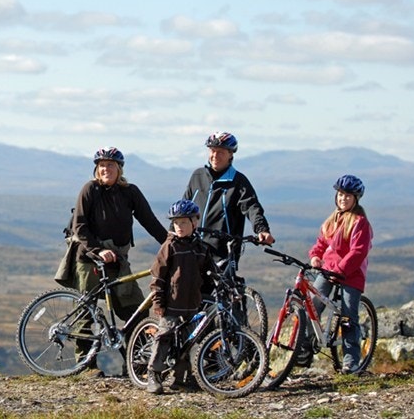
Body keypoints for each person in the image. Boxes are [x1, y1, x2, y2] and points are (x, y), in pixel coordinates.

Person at [69, 146, 168, 377]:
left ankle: (136, 364)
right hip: (90, 260)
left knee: (135, 310)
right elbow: (79, 226)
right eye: (102, 165)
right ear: (96, 169)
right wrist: (97, 250)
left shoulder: (130, 192)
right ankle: (85, 366)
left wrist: (171, 244)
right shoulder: (89, 189)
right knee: (86, 311)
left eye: (111, 165)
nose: (106, 169)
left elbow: (149, 221)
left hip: (119, 261)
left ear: (119, 169)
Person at [302, 174, 373, 373]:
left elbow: (358, 252)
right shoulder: (332, 221)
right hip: (327, 271)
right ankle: (306, 347)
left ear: (356, 199)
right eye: (341, 195)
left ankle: (351, 361)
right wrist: (316, 256)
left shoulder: (360, 223)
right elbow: (321, 243)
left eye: (348, 196)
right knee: (311, 306)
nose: (343, 199)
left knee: (348, 318)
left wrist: (340, 270)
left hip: (351, 275)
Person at [145, 199, 211, 395]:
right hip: (171, 305)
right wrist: (158, 302)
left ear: (194, 223)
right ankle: (153, 374)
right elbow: (158, 276)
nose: (179, 227)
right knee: (164, 339)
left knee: (189, 343)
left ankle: (182, 378)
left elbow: (209, 275)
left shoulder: (201, 248)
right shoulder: (169, 246)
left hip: (192, 307)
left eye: (184, 222)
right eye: (176, 223)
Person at [183, 131, 274, 262]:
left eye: (221, 152)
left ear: (230, 154)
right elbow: (183, 207)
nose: (215, 156)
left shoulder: (238, 182)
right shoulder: (198, 176)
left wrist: (262, 229)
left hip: (222, 253)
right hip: (192, 248)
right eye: (212, 151)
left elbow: (252, 207)